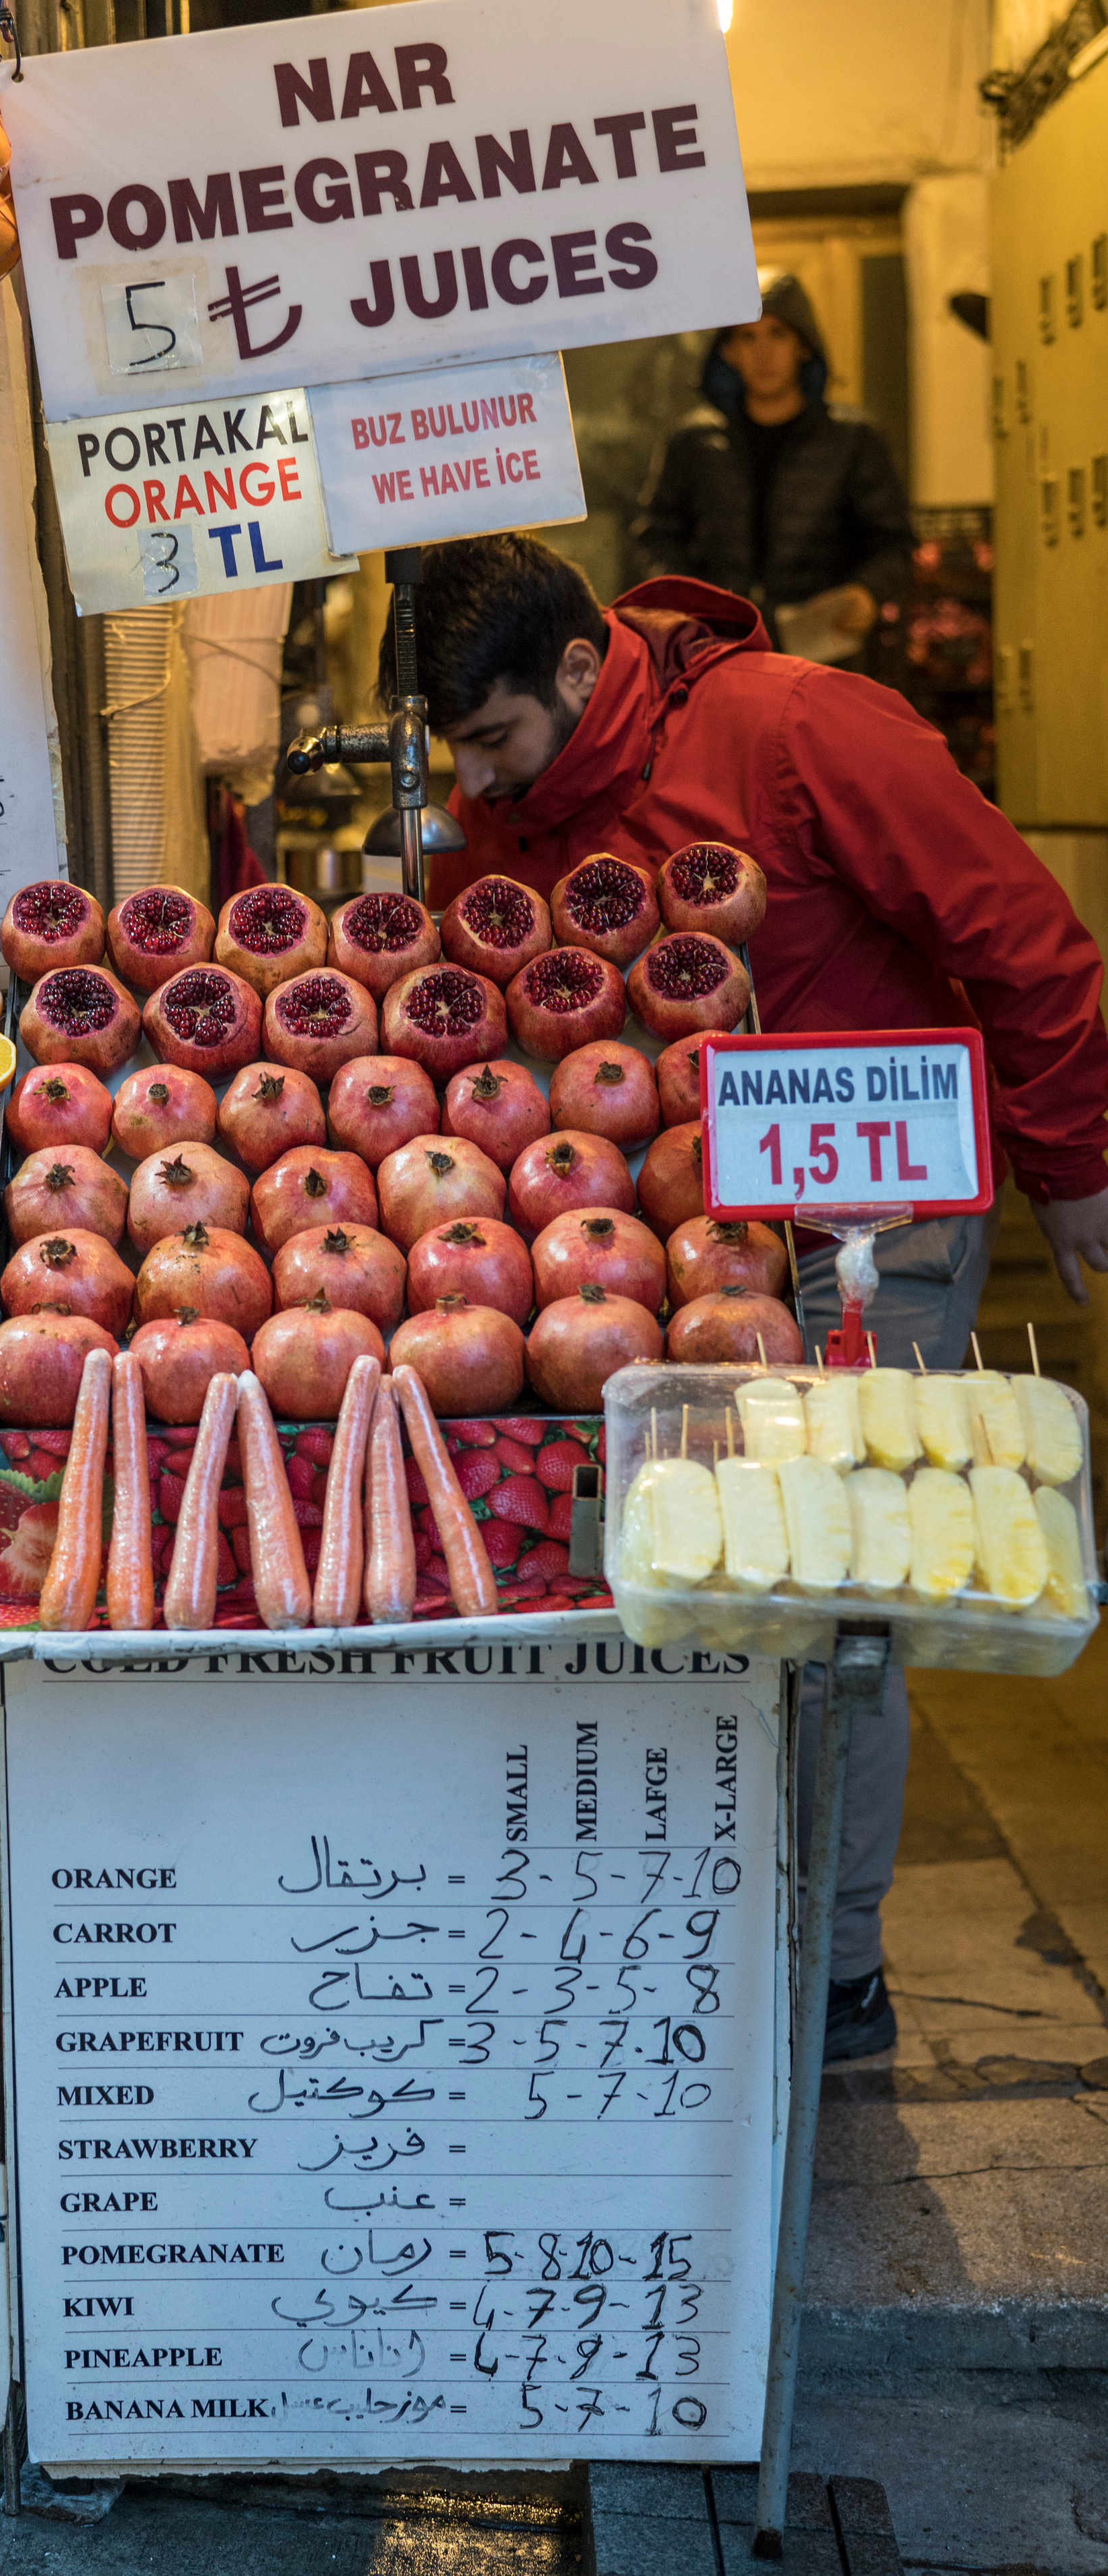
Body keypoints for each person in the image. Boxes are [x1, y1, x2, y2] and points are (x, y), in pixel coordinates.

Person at [386, 536, 1108, 2060]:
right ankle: (674, 1926)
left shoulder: (795, 726)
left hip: (865, 1216)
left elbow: (1024, 941)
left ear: (576, 672)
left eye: (496, 744)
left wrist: (1072, 1159)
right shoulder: (494, 817)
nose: (479, 788)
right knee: (659, 1573)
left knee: (838, 1583)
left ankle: (831, 1966)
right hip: (626, 1238)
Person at [633, 272, 913, 667]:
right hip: (722, 651)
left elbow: (894, 543)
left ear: (803, 346)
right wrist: (687, 602)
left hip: (824, 655)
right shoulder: (693, 442)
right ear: (728, 350)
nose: (764, 353)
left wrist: (866, 592)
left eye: (778, 333)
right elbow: (656, 537)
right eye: (748, 337)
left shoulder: (853, 441)